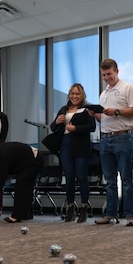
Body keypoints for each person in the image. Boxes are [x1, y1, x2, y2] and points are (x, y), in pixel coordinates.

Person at [90, 58, 133, 226]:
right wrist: (96, 114)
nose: (107, 78)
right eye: (104, 75)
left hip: (123, 137)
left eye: (109, 74)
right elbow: (104, 119)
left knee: (126, 179)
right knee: (110, 181)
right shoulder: (103, 94)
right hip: (105, 138)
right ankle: (111, 214)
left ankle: (130, 216)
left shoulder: (128, 88)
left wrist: (117, 111)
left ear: (117, 71)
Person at [50, 83, 96, 223]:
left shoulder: (87, 109)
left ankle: (83, 208)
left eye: (77, 94)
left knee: (82, 177)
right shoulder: (64, 109)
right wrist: (57, 121)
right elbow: (53, 128)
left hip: (81, 145)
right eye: (72, 93)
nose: (74, 96)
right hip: (65, 145)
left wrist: (75, 128)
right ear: (69, 95)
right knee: (69, 177)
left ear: (82, 95)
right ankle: (70, 207)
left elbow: (92, 127)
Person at [0, 142, 43, 222]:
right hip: (28, 161)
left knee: (21, 184)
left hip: (35, 160)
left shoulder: (4, 158)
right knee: (26, 185)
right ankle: (27, 213)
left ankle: (17, 216)